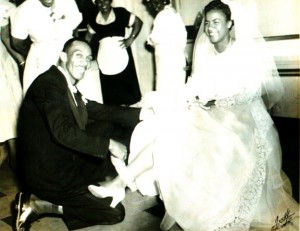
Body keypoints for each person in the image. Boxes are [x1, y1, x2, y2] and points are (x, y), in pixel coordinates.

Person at [88, 0, 299, 230]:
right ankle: (120, 183)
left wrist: (216, 103)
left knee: (198, 137)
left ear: (230, 24)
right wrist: (188, 100)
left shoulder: (242, 50)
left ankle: (122, 183)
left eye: (217, 22)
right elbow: (197, 84)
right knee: (168, 131)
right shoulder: (206, 51)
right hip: (213, 111)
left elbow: (252, 91)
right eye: (207, 23)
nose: (210, 28)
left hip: (243, 116)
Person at [15, 37, 141, 231]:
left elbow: (97, 110)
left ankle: (87, 186)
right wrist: (109, 144)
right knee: (115, 212)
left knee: (107, 125)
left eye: (88, 57)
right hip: (49, 176)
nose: (84, 61)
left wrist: (142, 113)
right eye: (79, 55)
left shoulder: (63, 83)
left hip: (59, 160)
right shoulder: (50, 85)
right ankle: (39, 204)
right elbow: (63, 131)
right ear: (63, 56)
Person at [10, 0, 82, 95]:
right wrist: (31, 55)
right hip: (41, 59)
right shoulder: (24, 10)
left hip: (69, 51)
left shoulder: (68, 2)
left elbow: (74, 26)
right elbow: (17, 42)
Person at [85, 0, 143, 106]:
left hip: (121, 55)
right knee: (112, 96)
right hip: (105, 58)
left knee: (129, 93)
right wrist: (86, 55)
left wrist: (131, 38)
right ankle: (117, 120)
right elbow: (88, 37)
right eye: (99, 2)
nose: (103, 4)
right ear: (96, 3)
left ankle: (134, 118)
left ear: (110, 1)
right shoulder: (94, 18)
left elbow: (138, 22)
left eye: (105, 0)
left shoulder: (121, 12)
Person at [144, 0, 187, 95]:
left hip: (167, 61)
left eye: (156, 2)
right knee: (176, 90)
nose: (154, 6)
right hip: (177, 59)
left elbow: (155, 38)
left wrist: (148, 40)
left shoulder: (162, 15)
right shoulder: (174, 13)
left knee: (164, 91)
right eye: (151, 3)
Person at [0, 0, 23, 168]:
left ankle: (22, 180)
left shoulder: (8, 7)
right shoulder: (7, 7)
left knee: (10, 128)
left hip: (5, 67)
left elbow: (8, 39)